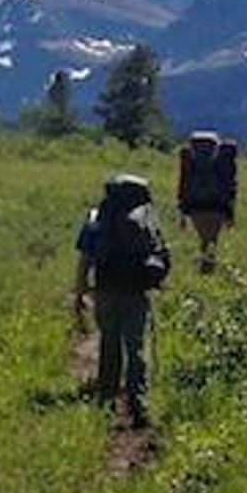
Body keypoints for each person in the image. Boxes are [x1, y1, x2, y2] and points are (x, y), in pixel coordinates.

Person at [71, 173, 169, 428]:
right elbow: (159, 254)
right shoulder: (147, 218)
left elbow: (85, 259)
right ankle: (139, 402)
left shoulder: (96, 219)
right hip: (136, 291)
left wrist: (80, 292)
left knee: (109, 344)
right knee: (136, 347)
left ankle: (107, 398)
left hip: (105, 289)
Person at [176, 130, 239, 273]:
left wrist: (182, 210)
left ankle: (206, 264)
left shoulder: (189, 158)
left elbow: (184, 182)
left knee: (204, 238)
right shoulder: (223, 161)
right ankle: (208, 264)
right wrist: (231, 212)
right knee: (212, 239)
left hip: (195, 204)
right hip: (218, 204)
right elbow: (230, 184)